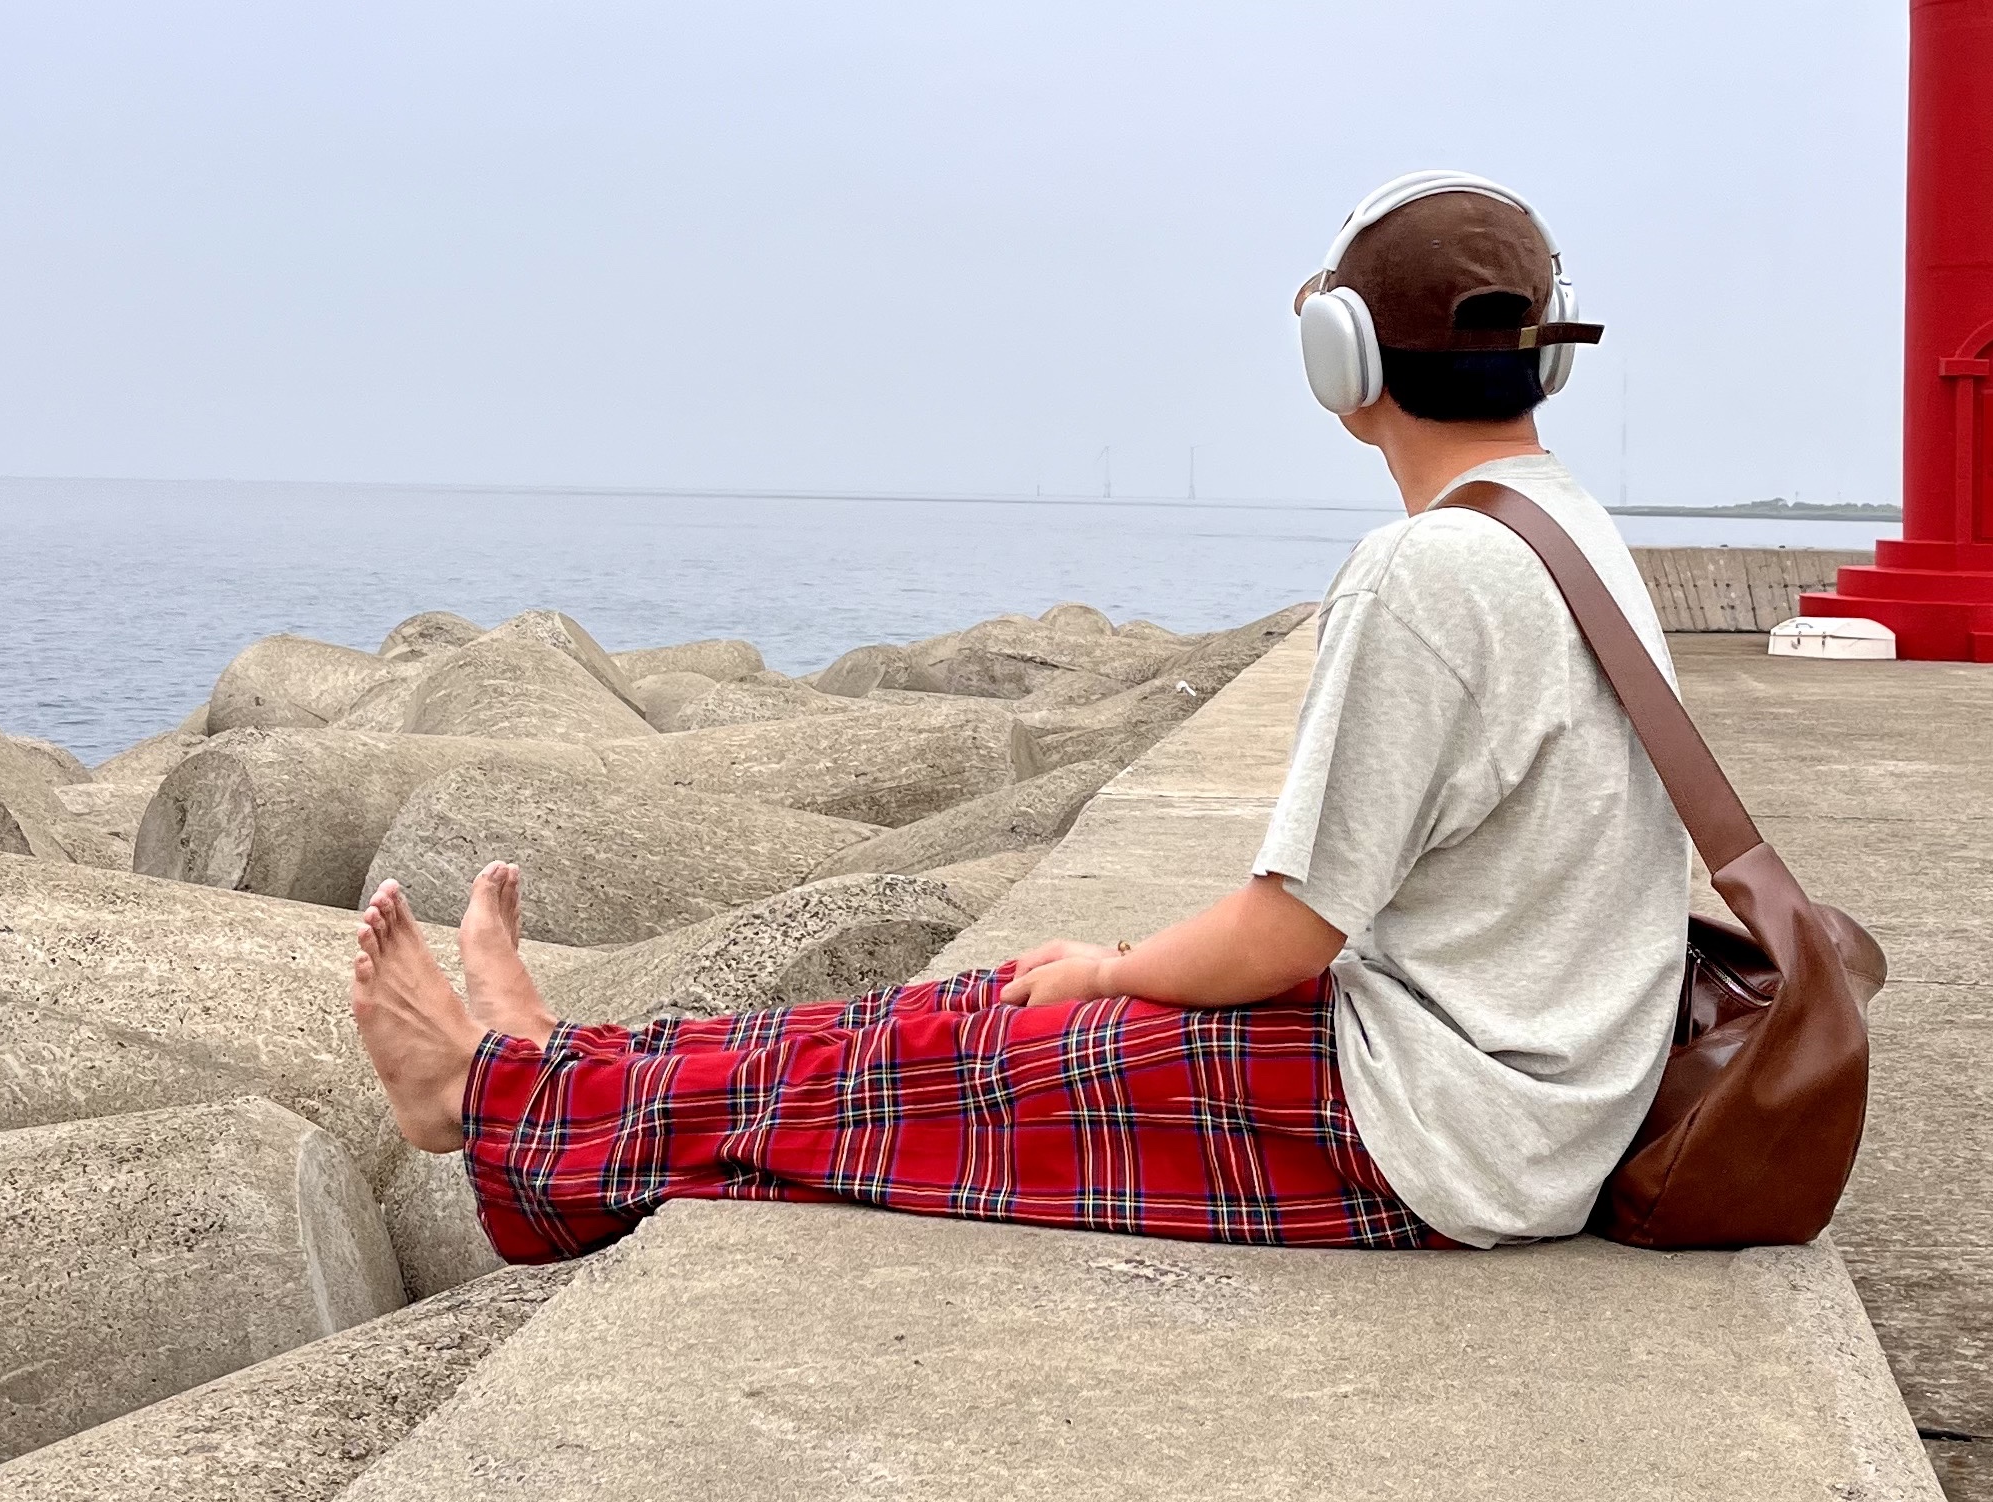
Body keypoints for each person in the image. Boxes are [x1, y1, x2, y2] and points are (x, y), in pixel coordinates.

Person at [349, 171, 1696, 1259]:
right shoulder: (1567, 526)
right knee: (970, 1010)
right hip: (1506, 1088)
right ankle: (558, 1066)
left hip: (1437, 1133)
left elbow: (1293, 930)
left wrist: (1113, 971)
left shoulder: (1432, 570)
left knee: (950, 1066)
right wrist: (1101, 966)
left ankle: (488, 1101)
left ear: (1341, 366)